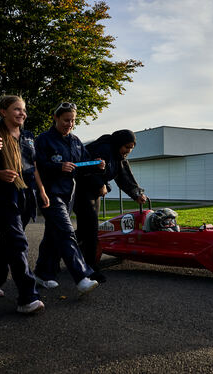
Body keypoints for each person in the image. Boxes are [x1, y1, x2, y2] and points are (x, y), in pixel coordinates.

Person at [0, 95, 49, 314]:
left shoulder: (28, 137)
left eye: (24, 110)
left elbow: (34, 167)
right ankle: (27, 298)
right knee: (18, 242)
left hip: (27, 195)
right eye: (17, 109)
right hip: (3, 196)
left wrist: (42, 192)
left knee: (7, 242)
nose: (22, 113)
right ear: (3, 112)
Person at [33, 102, 105, 294]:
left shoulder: (75, 141)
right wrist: (58, 166)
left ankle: (42, 273)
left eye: (73, 120)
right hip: (49, 193)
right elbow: (35, 166)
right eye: (66, 120)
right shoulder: (44, 140)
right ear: (55, 118)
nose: (69, 124)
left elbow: (83, 163)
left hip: (69, 194)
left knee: (52, 235)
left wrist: (97, 164)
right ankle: (82, 276)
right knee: (66, 232)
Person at [73, 129, 147, 282]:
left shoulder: (118, 156)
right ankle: (90, 270)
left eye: (131, 148)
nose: (128, 151)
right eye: (127, 147)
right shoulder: (104, 149)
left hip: (94, 193)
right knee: (90, 230)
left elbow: (125, 177)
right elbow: (85, 168)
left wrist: (137, 194)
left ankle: (66, 258)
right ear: (119, 143)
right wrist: (100, 183)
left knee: (85, 230)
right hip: (82, 190)